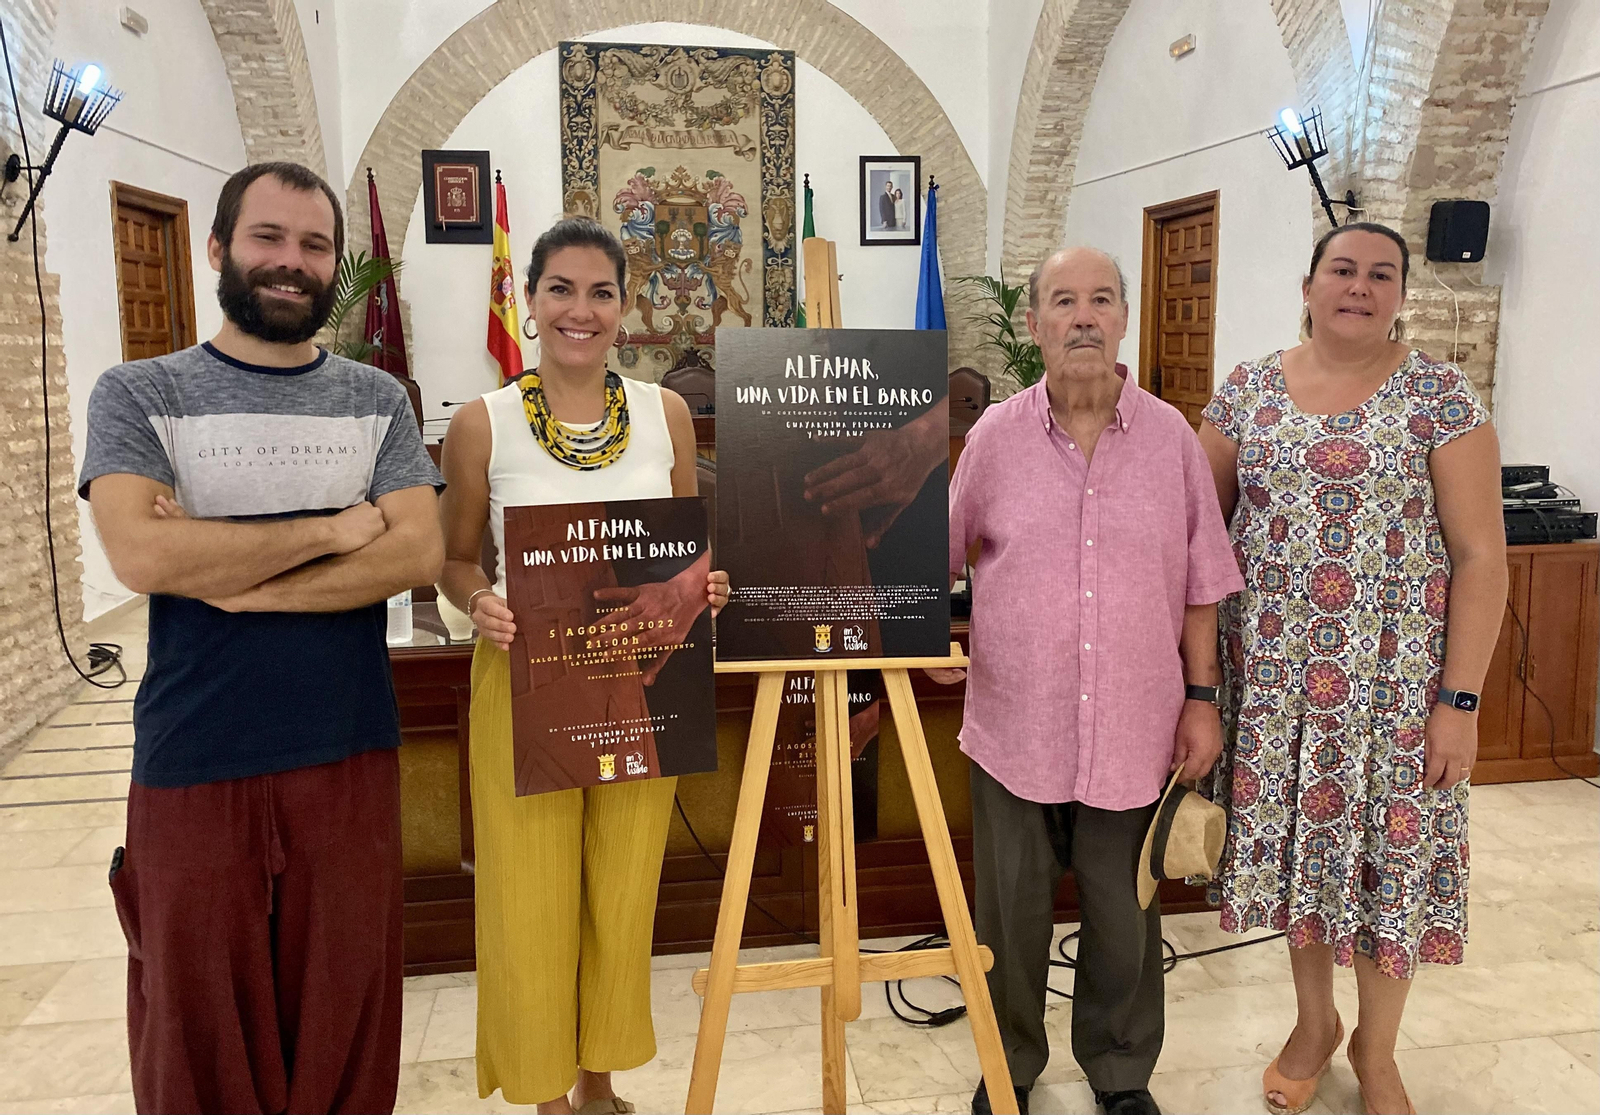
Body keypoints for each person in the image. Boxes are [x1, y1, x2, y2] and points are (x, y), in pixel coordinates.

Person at [80, 161, 445, 1114]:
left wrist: (235, 581)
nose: (292, 262)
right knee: (195, 1027)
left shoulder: (379, 402)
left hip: (348, 744)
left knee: (346, 1019)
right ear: (219, 249)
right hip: (195, 751)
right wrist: (330, 529)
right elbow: (140, 553)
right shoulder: (139, 394)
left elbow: (414, 550)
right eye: (268, 238)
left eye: (315, 245)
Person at [1198, 222, 1506, 1115]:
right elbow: (1195, 536)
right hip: (1280, 695)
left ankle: (1378, 1048)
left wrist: (1461, 699)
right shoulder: (1248, 393)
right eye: (1343, 269)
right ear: (1308, 284)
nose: (1360, 286)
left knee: (1384, 864)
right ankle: (1312, 1022)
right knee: (1304, 862)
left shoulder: (1442, 397)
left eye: (1381, 274)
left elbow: (1481, 556)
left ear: (1401, 294)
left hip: (1397, 695)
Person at [932, 247, 1243, 1115]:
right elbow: (937, 555)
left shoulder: (1172, 438)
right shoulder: (993, 437)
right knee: (1010, 921)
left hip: (1136, 731)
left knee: (1124, 919)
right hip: (1011, 729)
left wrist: (1203, 698)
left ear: (1121, 320)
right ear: (1032, 325)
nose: (1081, 316)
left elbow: (1201, 584)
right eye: (1062, 301)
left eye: (1099, 299)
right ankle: (1009, 1069)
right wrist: (924, 631)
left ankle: (1119, 1072)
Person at [438, 216, 730, 1115]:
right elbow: (453, 560)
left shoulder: (665, 414)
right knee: (530, 897)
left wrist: (698, 589)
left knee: (621, 882)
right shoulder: (482, 423)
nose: (581, 308)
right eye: (560, 288)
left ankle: (598, 1077)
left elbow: (686, 550)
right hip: (524, 679)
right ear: (530, 302)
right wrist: (477, 600)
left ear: (624, 306)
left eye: (601, 290)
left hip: (637, 680)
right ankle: (543, 1093)